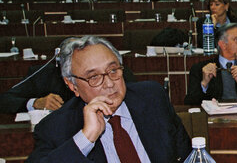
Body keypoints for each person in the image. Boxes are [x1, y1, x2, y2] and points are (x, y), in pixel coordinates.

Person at [16, 36, 191, 163]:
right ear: (72, 86)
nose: (109, 83)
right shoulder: (57, 126)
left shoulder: (152, 98)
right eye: (94, 77)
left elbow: (189, 159)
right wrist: (86, 138)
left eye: (113, 70)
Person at [0, 37, 135, 114]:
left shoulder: (117, 72)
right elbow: (5, 100)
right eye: (93, 76)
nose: (109, 83)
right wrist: (35, 103)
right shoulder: (44, 74)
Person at [184, 22, 237, 106]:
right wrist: (204, 83)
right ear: (223, 44)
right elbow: (189, 104)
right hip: (213, 118)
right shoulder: (199, 69)